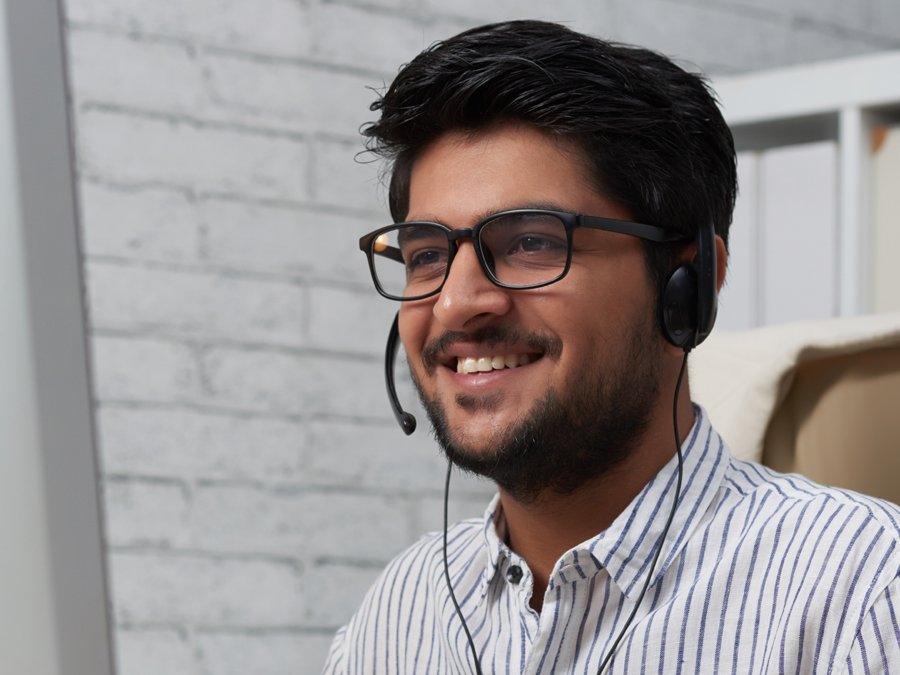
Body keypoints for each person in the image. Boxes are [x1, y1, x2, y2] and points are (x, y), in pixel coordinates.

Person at [322, 20, 900, 675]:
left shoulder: (860, 593)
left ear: (688, 284)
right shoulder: (399, 613)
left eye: (532, 241)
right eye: (427, 254)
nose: (456, 302)